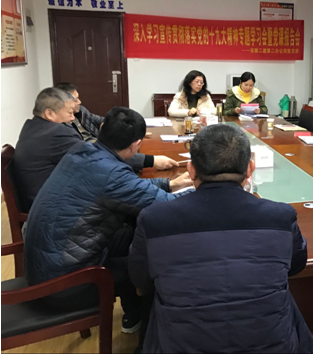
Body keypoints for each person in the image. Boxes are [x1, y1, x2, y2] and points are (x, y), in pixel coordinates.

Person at [129, 124, 313, 353]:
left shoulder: (154, 219)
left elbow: (140, 279)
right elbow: (296, 264)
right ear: (250, 169)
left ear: (191, 170)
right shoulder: (281, 216)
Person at [23, 107, 193, 335]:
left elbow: (127, 187)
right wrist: (205, 187)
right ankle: (147, 329)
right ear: (135, 145)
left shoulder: (82, 150)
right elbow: (165, 207)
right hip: (64, 286)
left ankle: (133, 316)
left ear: (102, 128)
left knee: (133, 235)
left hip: (45, 266)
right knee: (145, 266)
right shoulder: (112, 175)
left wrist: (170, 184)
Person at [14, 87, 177, 212]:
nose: (72, 118)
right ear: (49, 113)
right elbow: (101, 160)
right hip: (52, 207)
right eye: (70, 113)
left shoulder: (33, 126)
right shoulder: (57, 133)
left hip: (46, 197)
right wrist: (152, 163)